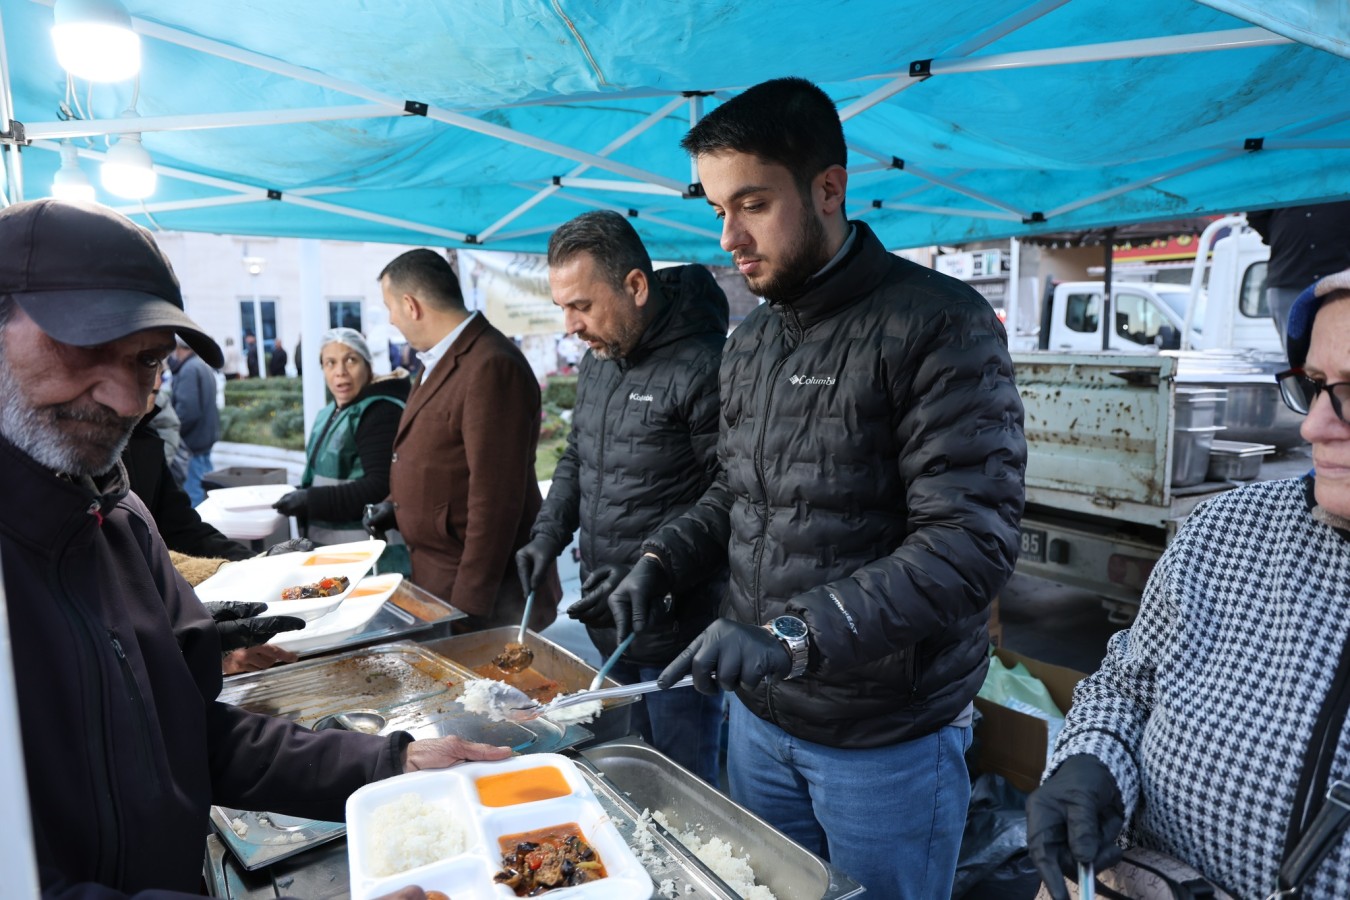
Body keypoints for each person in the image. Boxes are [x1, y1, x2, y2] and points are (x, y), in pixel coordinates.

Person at [0, 199, 511, 898]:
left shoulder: (122, 520)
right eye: (86, 346)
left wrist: (389, 763)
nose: (125, 399)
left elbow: (191, 738)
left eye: (147, 361)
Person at [606, 78, 1026, 897]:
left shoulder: (939, 322)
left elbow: (969, 543)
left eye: (753, 204)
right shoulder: (751, 342)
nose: (729, 236)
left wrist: (793, 634)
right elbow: (738, 492)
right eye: (718, 209)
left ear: (828, 188)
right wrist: (664, 556)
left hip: (886, 740)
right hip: (761, 720)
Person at [1026, 268, 1350, 899]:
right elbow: (1126, 687)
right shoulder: (1227, 530)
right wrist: (1090, 761)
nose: (1313, 427)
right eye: (1314, 386)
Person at [516, 210, 729, 784]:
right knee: (628, 771)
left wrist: (656, 565)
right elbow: (576, 456)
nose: (570, 325)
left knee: (682, 784)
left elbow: (734, 492)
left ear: (635, 286)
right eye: (562, 307)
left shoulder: (706, 365)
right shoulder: (599, 360)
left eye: (581, 305)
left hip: (679, 625)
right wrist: (546, 533)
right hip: (608, 615)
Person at [363, 249, 560, 632]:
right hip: (439, 580)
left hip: (480, 595)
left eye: (390, 308)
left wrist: (469, 605)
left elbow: (496, 497)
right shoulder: (442, 358)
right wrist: (396, 505)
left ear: (411, 305)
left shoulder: (490, 364)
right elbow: (443, 459)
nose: (391, 320)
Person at [273, 327, 409, 546]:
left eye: (351, 360)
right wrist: (298, 494)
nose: (340, 372)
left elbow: (380, 487)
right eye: (330, 363)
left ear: (368, 366)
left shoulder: (380, 412)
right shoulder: (331, 412)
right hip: (333, 547)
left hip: (368, 552)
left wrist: (310, 499)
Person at [1247, 200, 1350, 350]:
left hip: (1340, 282)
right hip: (1290, 279)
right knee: (1298, 356)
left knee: (1342, 352)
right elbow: (1256, 213)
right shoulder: (1272, 187)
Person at [168, 336, 220, 506]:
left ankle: (200, 522)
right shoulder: (201, 366)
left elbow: (187, 411)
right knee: (206, 489)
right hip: (203, 439)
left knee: (194, 494)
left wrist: (173, 431)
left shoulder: (189, 370)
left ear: (179, 348)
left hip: (193, 443)